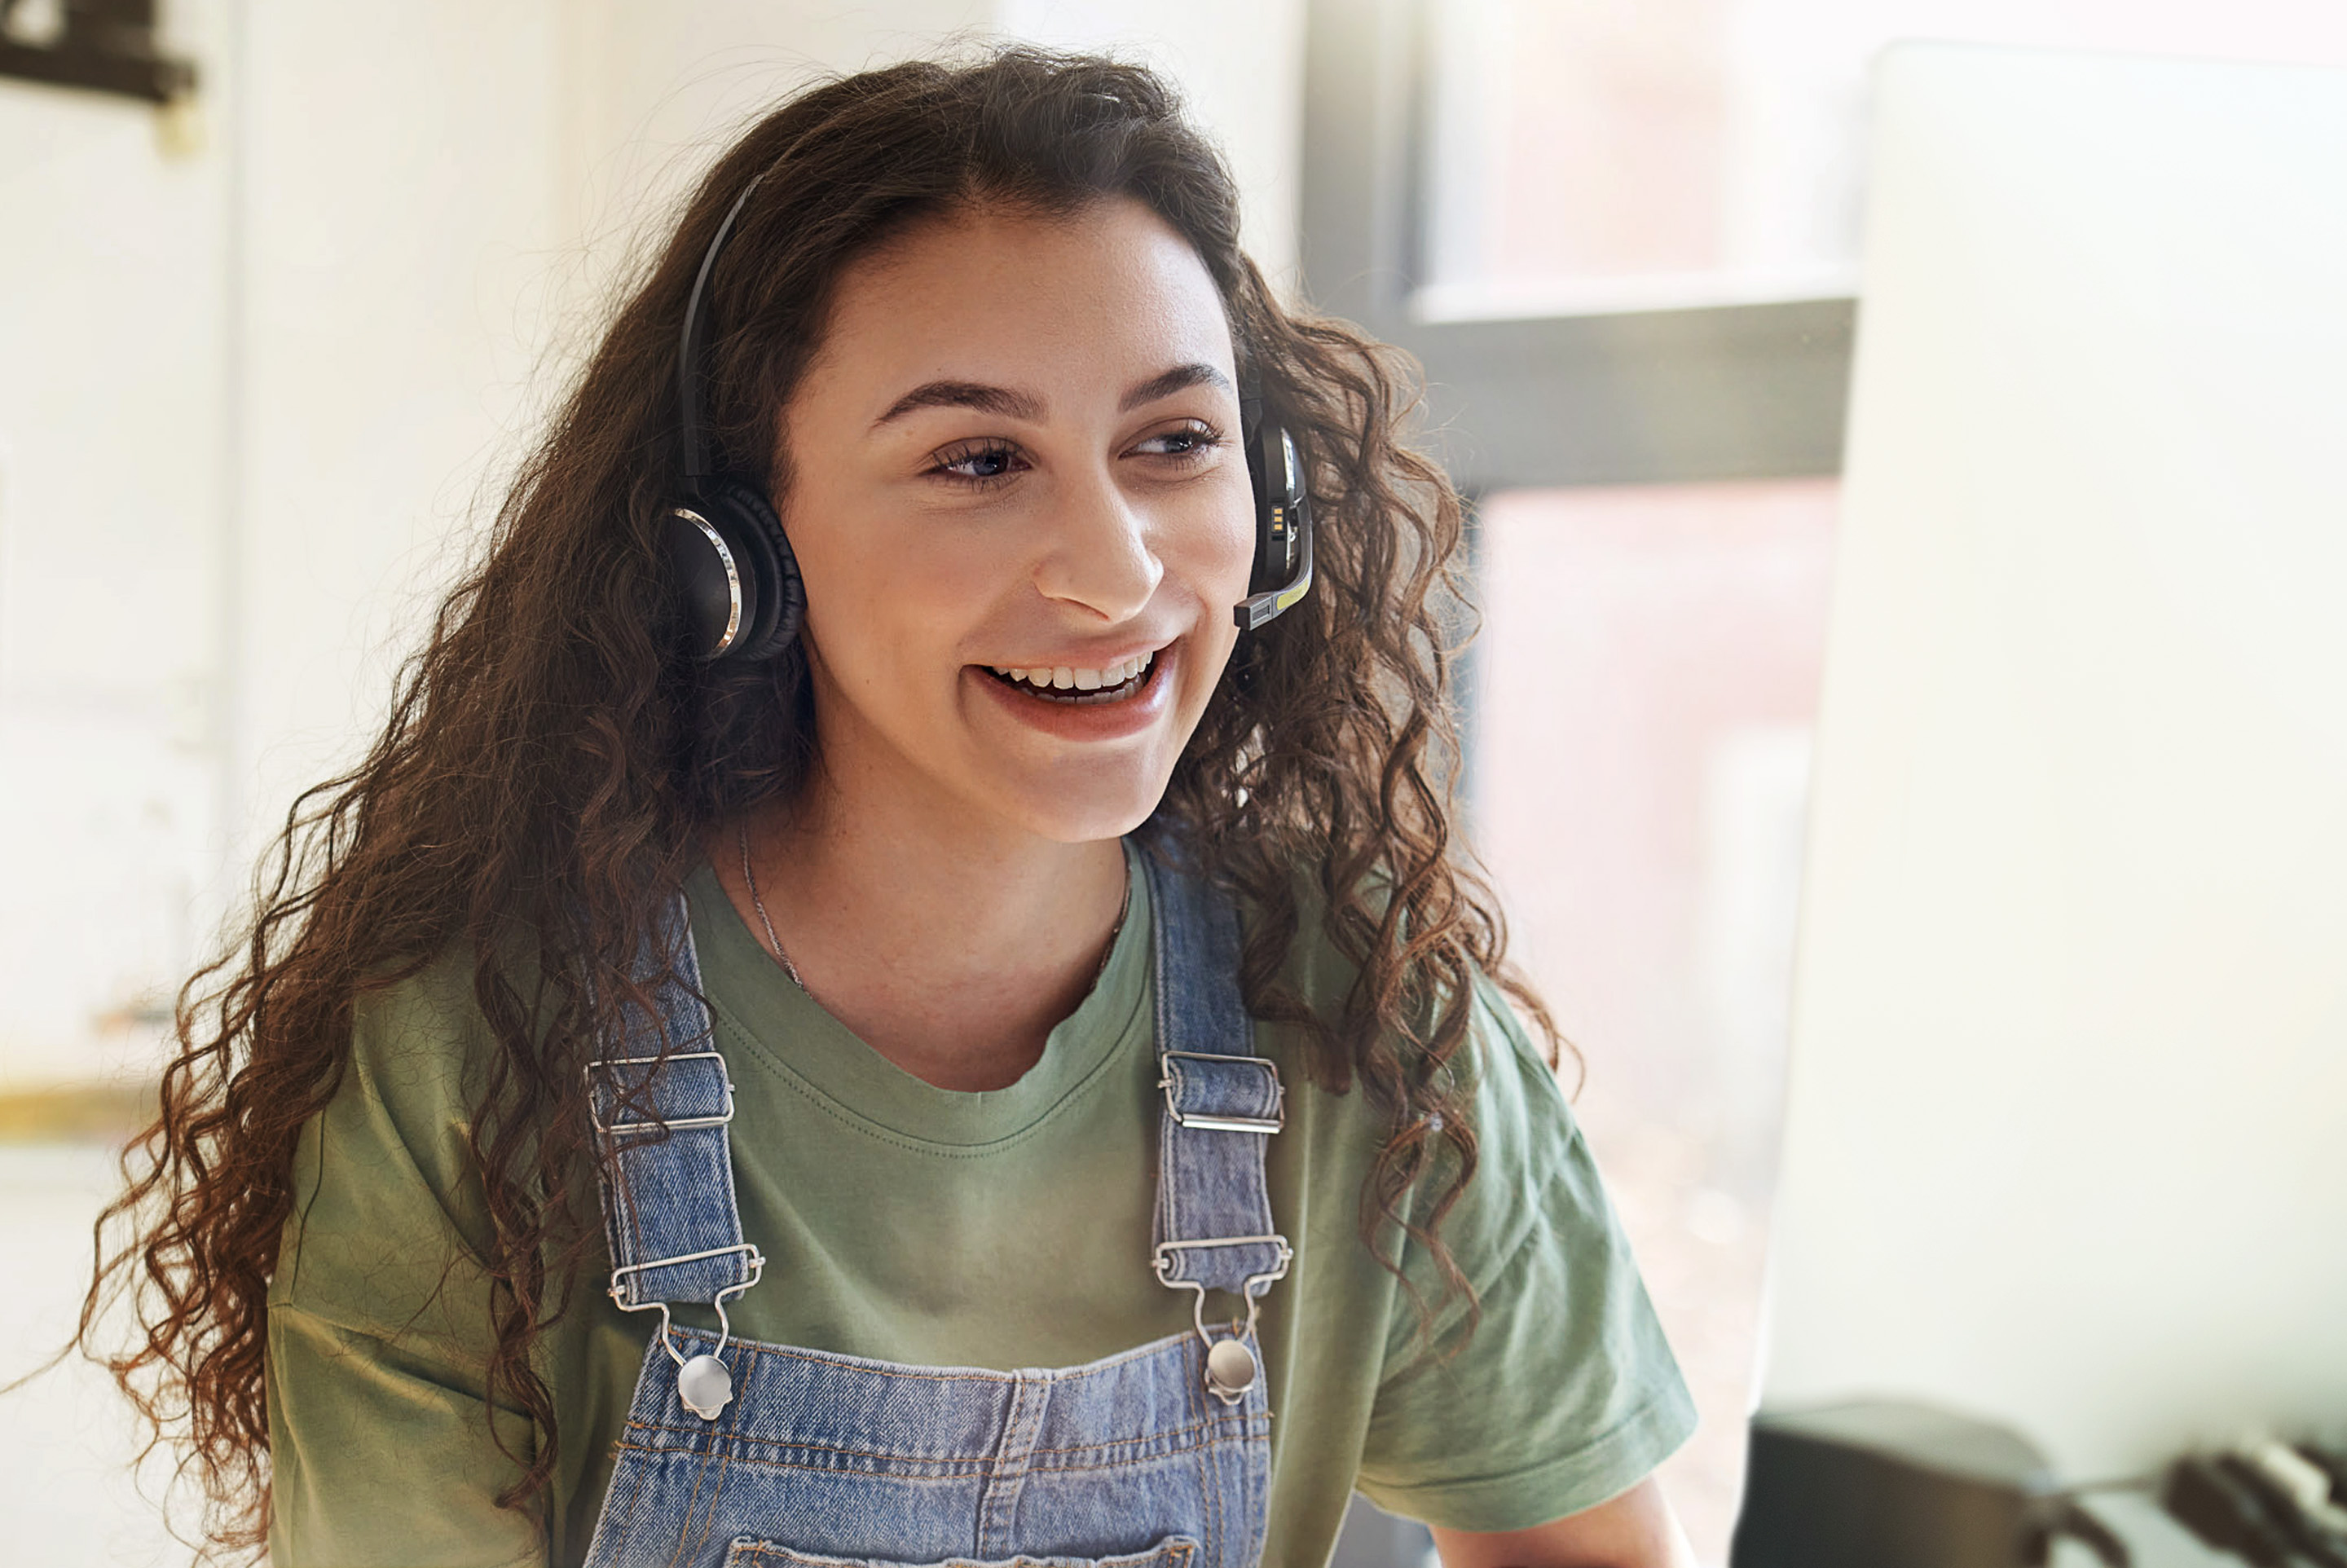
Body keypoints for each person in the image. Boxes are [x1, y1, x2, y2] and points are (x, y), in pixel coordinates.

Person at [81, 46, 1698, 1568]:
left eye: (1174, 440)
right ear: (737, 552)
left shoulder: (1363, 1018)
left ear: (1267, 505)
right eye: (977, 460)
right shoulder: (481, 1056)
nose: (1117, 569)